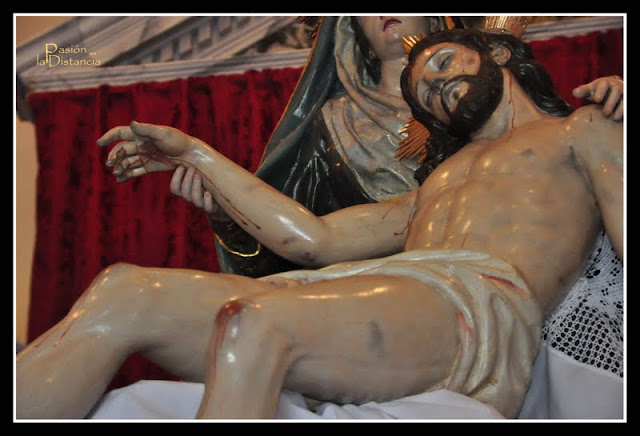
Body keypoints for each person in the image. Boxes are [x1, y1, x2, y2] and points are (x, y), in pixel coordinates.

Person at [16, 26, 622, 420]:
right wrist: (196, 154)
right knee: (124, 292)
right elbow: (314, 238)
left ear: (497, 53)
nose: (435, 84)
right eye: (424, 94)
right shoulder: (434, 186)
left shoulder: (582, 128)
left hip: (479, 313)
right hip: (403, 291)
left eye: (441, 61)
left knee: (258, 322)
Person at [177, 16, 623, 278]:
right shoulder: (331, 128)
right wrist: (229, 215)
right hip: (383, 291)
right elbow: (303, 243)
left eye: (445, 63)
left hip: (521, 269)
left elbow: (567, 167)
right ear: (353, 34)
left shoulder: (488, 95)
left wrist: (616, 108)